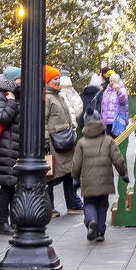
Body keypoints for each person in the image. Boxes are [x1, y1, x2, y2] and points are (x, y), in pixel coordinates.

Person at [71, 117, 128, 242]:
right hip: (104, 181)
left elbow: (76, 164)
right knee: (102, 205)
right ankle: (101, 232)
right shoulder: (108, 141)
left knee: (89, 203)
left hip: (88, 181)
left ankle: (91, 221)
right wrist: (123, 173)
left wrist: (75, 177)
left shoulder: (81, 142)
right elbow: (118, 159)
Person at [44, 66, 82, 216]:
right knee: (50, 175)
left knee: (69, 173)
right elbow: (43, 121)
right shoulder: (47, 97)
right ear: (47, 80)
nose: (58, 80)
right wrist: (46, 140)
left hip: (65, 141)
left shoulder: (58, 95)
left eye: (59, 78)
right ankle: (49, 207)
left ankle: (73, 204)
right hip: (54, 143)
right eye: (55, 78)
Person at [0, 68, 21, 236]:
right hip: (7, 147)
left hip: (15, 146)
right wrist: (12, 102)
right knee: (7, 186)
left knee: (14, 186)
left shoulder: (17, 96)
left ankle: (14, 221)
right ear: (12, 80)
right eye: (20, 79)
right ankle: (3, 223)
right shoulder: (2, 97)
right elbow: (2, 117)